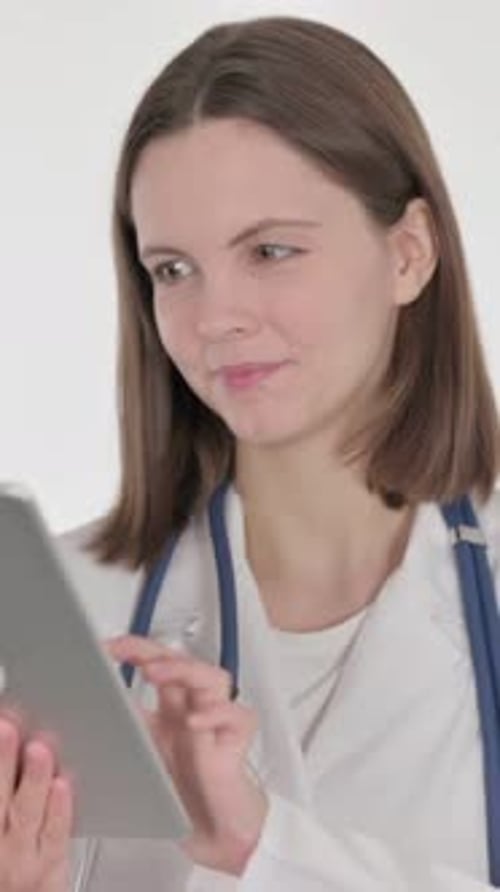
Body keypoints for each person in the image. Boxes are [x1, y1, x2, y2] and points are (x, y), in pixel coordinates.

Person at [1, 12, 500, 891]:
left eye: (271, 250)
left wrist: (264, 848)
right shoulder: (64, 614)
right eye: (173, 270)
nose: (213, 316)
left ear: (410, 254)